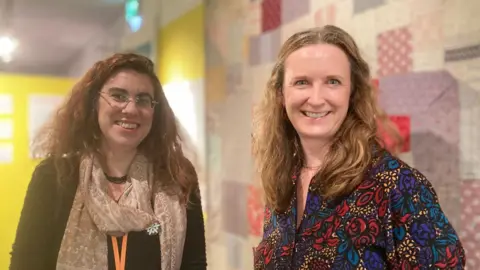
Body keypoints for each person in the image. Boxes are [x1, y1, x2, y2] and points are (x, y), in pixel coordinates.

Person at [252, 25, 465, 269]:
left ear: (352, 92)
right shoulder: (281, 180)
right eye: (302, 82)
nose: (317, 98)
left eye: (333, 82)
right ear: (281, 94)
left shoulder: (396, 186)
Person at [10, 53, 207, 270]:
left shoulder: (175, 176)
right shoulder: (55, 176)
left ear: (155, 111)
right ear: (94, 103)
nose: (131, 109)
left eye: (143, 99)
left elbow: (193, 264)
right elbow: (25, 263)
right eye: (118, 96)